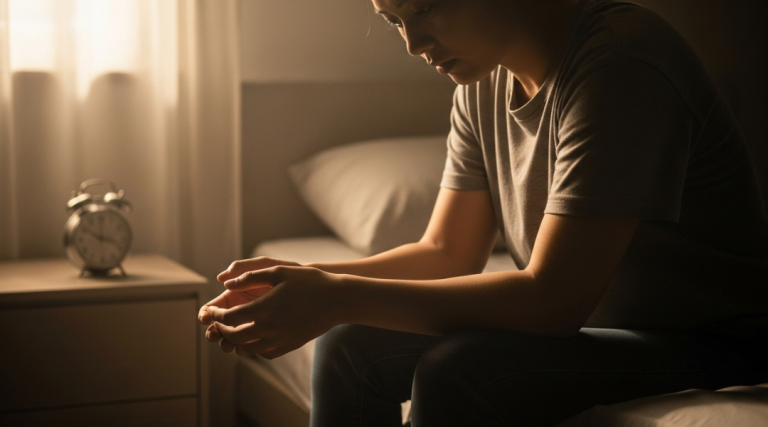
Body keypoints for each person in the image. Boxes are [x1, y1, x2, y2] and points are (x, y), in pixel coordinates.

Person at [199, 0, 768, 425]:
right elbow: (447, 252)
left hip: (707, 339)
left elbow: (552, 301)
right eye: (395, 20)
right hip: (597, 326)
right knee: (348, 343)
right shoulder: (480, 85)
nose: (412, 43)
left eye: (424, 9)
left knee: (461, 368)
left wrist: (337, 294)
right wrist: (307, 284)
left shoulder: (621, 64)